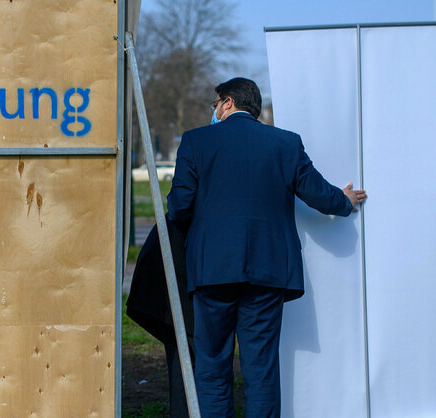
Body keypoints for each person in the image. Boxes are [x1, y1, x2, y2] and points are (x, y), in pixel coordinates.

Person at [166, 77, 366, 417]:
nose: (214, 111)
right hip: (268, 271)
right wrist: (344, 201)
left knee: (212, 365)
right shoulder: (285, 143)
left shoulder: (196, 141)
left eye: (215, 104)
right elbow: (318, 193)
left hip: (212, 269)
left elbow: (179, 207)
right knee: (261, 370)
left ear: (227, 102)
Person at [126, 217, 194, 417]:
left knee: (185, 353)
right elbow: (182, 201)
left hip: (178, 253)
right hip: (178, 258)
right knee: (186, 353)